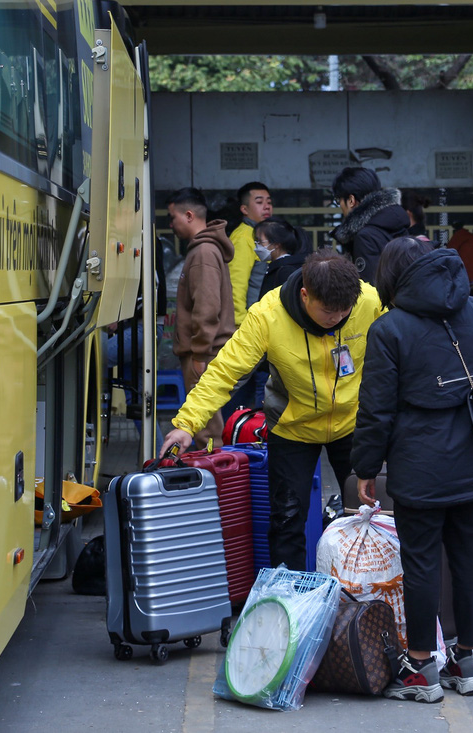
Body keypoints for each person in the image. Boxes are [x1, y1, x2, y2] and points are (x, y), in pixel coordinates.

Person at [160, 249, 384, 570]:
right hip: (293, 428)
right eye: (328, 311)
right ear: (305, 295)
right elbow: (225, 371)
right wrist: (186, 423)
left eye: (344, 311)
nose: (337, 318)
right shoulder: (267, 315)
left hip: (353, 424)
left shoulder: (369, 302)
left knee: (368, 512)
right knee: (286, 519)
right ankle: (289, 599)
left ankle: (363, 592)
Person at [352, 238, 473, 702]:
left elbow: (376, 410)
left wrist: (365, 466)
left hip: (421, 466)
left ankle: (421, 667)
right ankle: (467, 659)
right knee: (467, 559)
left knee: (421, 565)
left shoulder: (389, 329)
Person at [166, 187, 236, 448]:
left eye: (172, 218)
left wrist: (198, 355)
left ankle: (216, 483)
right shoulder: (204, 249)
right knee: (209, 426)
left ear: (188, 215)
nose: (170, 225)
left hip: (205, 354)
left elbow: (206, 308)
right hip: (207, 351)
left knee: (207, 431)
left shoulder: (203, 253)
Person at [330, 167, 409, 285]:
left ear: (351, 200)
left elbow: (369, 289)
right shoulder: (393, 223)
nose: (340, 206)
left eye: (339, 200)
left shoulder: (365, 237)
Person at [228, 182, 273, 326]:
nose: (266, 206)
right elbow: (236, 285)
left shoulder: (261, 234)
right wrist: (240, 324)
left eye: (269, 202)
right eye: (259, 202)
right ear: (244, 209)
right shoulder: (243, 237)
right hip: (248, 324)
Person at [256, 217, 309, 297]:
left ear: (276, 244)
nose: (257, 246)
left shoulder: (285, 271)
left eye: (260, 242)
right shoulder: (279, 267)